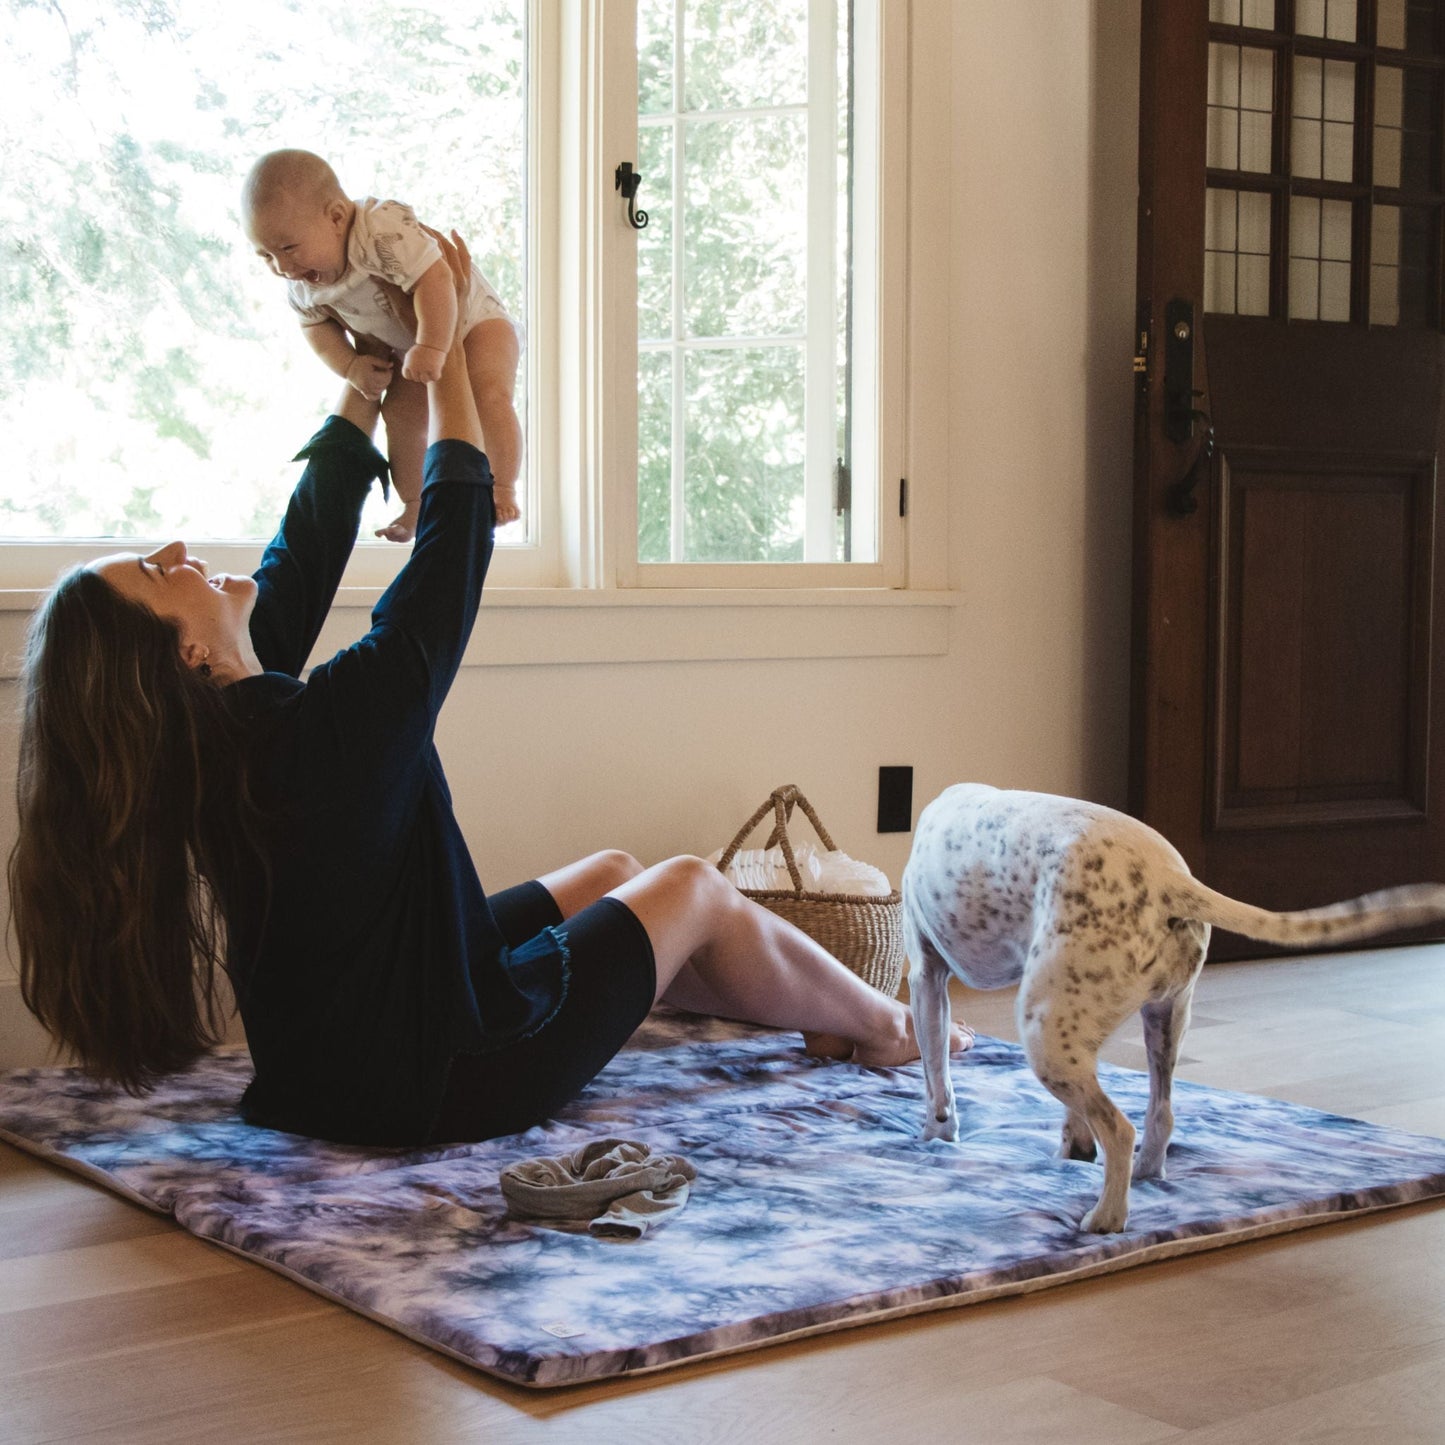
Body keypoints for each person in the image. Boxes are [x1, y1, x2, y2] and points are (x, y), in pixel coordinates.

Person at [8, 233, 969, 1148]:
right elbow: (447, 566)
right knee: (688, 884)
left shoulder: (220, 729)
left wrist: (364, 388)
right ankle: (889, 1023)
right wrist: (453, 354)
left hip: (327, 1065)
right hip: (444, 1078)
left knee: (609, 871)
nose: (178, 551)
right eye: (154, 567)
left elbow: (301, 549)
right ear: (184, 653)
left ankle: (793, 1008)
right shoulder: (317, 736)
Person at [239, 148, 522, 543]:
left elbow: (436, 278)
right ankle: (414, 503)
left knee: (489, 392)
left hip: (475, 319)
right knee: (400, 415)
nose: (283, 267)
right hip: (408, 345)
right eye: (266, 256)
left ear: (336, 217)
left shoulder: (381, 231)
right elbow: (316, 328)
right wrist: (350, 366)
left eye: (289, 248)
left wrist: (434, 346)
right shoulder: (303, 286)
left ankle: (503, 485)